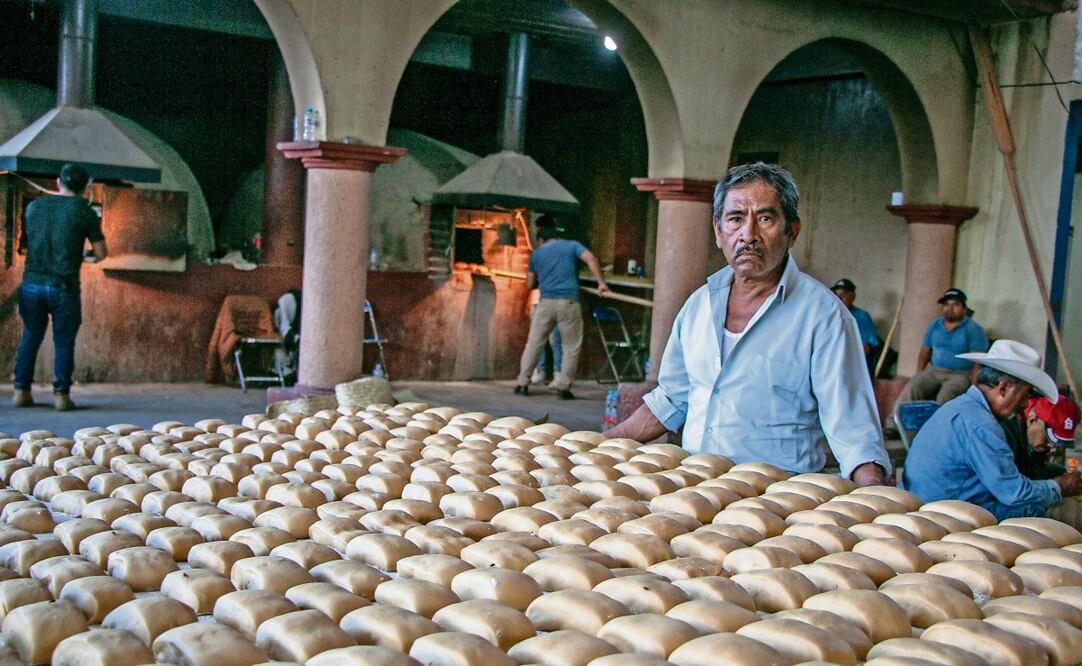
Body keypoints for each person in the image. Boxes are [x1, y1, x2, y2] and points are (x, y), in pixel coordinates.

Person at [604, 162, 890, 485]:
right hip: (693, 493)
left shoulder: (824, 318)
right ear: (718, 231)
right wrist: (602, 447)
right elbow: (671, 399)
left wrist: (873, 496)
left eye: (765, 219)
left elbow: (854, 433)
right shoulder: (699, 306)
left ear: (791, 231)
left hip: (777, 506)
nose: (748, 235)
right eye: (736, 219)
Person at [900, 340, 1081, 520]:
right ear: (1003, 388)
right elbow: (1013, 492)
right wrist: (1059, 487)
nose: (1025, 403)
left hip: (921, 497)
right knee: (1032, 509)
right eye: (1024, 395)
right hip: (936, 511)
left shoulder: (961, 405)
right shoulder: (983, 425)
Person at [12, 163, 106, 411]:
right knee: (63, 342)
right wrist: (84, 255)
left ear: (57, 182)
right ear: (86, 188)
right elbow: (101, 253)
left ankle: (21, 392)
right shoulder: (86, 213)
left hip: (31, 283)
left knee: (30, 336)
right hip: (63, 287)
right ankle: (61, 397)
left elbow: (28, 243)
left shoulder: (34, 206)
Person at [513, 216, 609, 399]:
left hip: (545, 303)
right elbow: (590, 258)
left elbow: (529, 284)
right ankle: (563, 387)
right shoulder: (572, 246)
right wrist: (601, 283)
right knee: (570, 346)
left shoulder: (536, 254)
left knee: (534, 344)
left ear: (541, 239)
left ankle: (522, 383)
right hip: (568, 302)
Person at [894, 288, 988, 407]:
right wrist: (918, 375)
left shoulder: (974, 330)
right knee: (912, 387)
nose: (950, 308)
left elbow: (977, 362)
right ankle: (893, 423)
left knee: (945, 395)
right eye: (946, 304)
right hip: (933, 371)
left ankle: (936, 425)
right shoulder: (934, 325)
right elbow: (924, 353)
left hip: (959, 375)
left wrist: (974, 388)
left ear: (964, 309)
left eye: (956, 305)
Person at [1003, 392, 1079, 482]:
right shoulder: (1005, 437)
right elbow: (1012, 488)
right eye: (1048, 438)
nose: (1052, 446)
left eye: (1057, 442)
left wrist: (1065, 473)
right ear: (1032, 420)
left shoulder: (1033, 442)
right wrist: (1059, 486)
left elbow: (1034, 472)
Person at [831, 278, 881, 373]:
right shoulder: (832, 315)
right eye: (837, 295)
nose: (839, 299)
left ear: (852, 297)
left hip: (852, 363)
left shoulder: (861, 316)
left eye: (843, 295)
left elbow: (864, 348)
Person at [526, 288, 562, 385]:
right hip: (539, 299)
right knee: (546, 340)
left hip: (553, 300)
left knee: (554, 340)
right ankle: (542, 370)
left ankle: (557, 372)